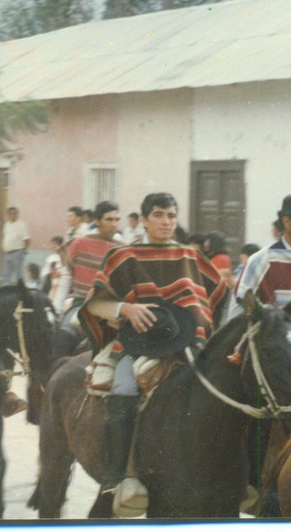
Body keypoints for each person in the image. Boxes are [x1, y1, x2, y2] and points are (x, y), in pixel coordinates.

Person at [82, 192, 228, 516]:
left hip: (190, 342)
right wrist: (126, 308)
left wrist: (208, 328)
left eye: (172, 215)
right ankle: (116, 478)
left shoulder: (191, 255)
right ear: (144, 219)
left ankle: (237, 474)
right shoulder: (123, 255)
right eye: (159, 215)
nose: (166, 222)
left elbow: (219, 293)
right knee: (124, 386)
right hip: (137, 344)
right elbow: (94, 303)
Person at [228, 196, 291, 508]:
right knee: (264, 403)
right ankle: (252, 482)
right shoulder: (261, 261)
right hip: (273, 349)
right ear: (287, 222)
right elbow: (242, 308)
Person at [56, 201, 123, 354]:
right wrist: (58, 307)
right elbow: (66, 276)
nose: (114, 224)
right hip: (81, 303)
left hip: (111, 306)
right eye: (109, 219)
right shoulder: (80, 242)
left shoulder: (123, 247)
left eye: (117, 220)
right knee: (64, 335)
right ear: (97, 221)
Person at [0, 206, 30, 286]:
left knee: (18, 274)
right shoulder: (6, 225)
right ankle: (5, 292)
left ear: (17, 214)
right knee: (6, 274)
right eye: (10, 214)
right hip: (7, 253)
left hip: (17, 252)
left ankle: (20, 292)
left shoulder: (22, 225)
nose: (12, 215)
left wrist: (23, 252)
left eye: (14, 213)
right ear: (8, 215)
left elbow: (27, 240)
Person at [40, 236, 63, 306]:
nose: (53, 246)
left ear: (61, 245)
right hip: (51, 283)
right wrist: (51, 273)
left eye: (55, 244)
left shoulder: (65, 258)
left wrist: (59, 273)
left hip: (61, 283)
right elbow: (44, 273)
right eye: (52, 244)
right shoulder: (50, 258)